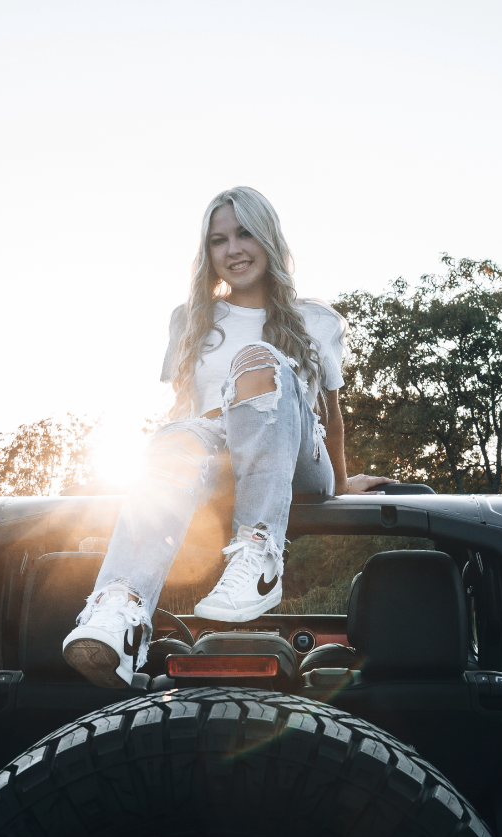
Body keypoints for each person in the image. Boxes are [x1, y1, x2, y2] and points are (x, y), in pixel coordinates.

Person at [62, 186, 394, 688]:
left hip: (295, 453)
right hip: (216, 456)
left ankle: (258, 554)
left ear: (268, 238)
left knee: (256, 362)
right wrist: (171, 463)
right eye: (219, 240)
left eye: (244, 234)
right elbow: (184, 411)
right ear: (207, 253)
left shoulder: (317, 319)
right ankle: (120, 612)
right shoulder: (190, 320)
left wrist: (343, 484)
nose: (233, 250)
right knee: (175, 437)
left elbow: (331, 413)